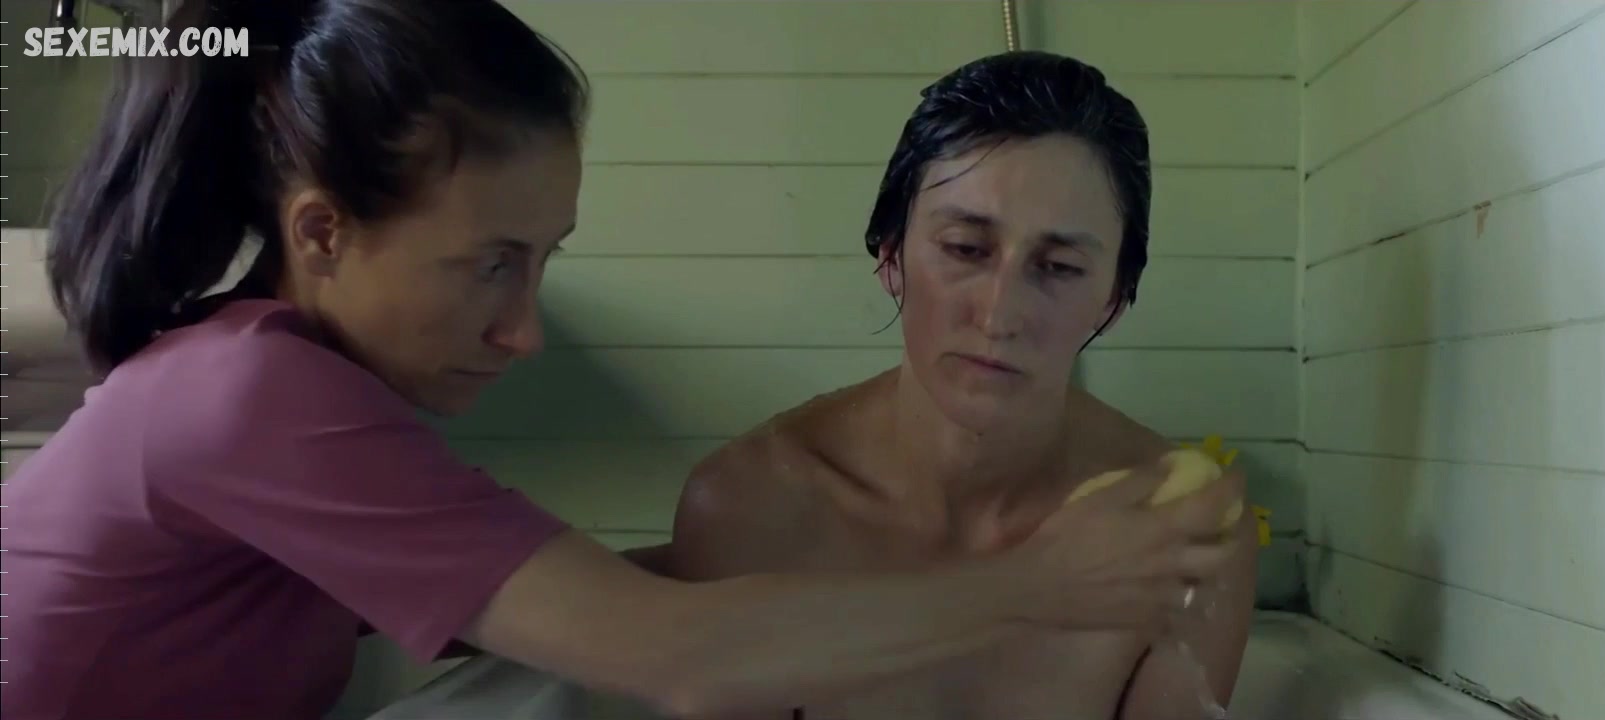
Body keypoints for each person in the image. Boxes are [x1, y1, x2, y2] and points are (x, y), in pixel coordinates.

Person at [0, 3, 1248, 720]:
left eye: (542, 262)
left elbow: (531, 609)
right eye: (492, 262)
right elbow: (673, 654)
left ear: (1114, 294)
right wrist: (1042, 583)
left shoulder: (278, 394)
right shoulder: (252, 396)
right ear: (322, 232)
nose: (523, 328)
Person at [666, 51, 1259, 720]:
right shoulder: (754, 506)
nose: (1000, 316)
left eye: (1059, 267)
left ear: (1113, 300)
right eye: (965, 249)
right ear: (892, 257)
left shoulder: (1178, 537)